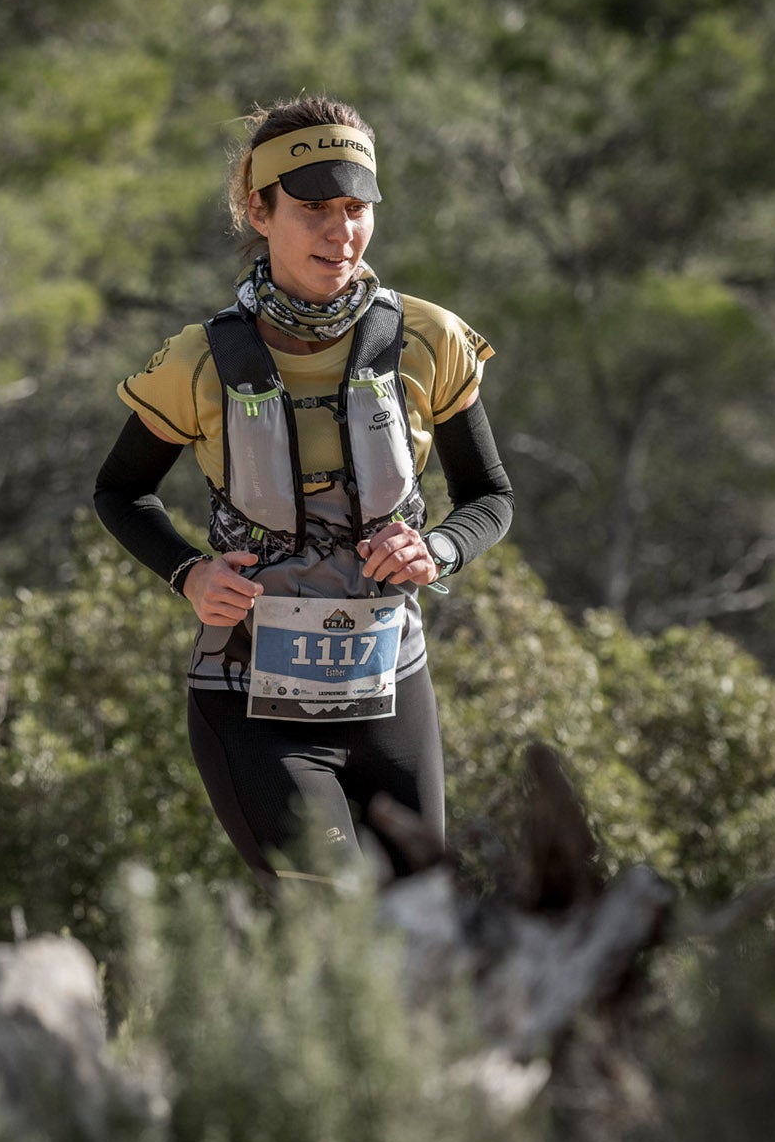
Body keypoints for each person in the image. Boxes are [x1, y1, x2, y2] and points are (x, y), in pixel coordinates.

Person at [94, 96, 513, 884]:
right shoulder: (199, 360)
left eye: (356, 208)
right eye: (314, 208)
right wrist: (190, 574)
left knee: (423, 933)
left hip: (392, 697)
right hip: (251, 707)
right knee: (339, 921)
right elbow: (120, 492)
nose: (340, 231)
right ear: (259, 209)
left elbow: (490, 496)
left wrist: (440, 549)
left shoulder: (430, 340)